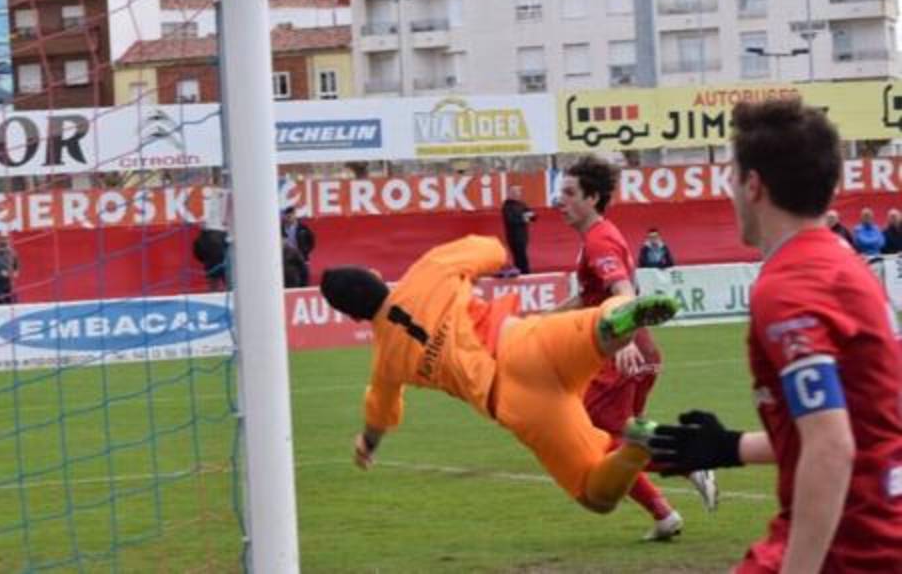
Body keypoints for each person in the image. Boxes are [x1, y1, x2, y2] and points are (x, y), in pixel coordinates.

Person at [645, 99, 902, 573]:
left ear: (754, 185)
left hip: (850, 548)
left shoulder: (790, 286)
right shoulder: (845, 265)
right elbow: (864, 422)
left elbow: (832, 444)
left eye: (731, 180)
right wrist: (729, 447)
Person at [322, 235, 682, 514]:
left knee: (596, 494)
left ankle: (637, 446)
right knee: (598, 329)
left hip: (516, 401)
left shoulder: (387, 361)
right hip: (523, 341)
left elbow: (381, 412)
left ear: (353, 317)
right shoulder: (430, 268)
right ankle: (620, 310)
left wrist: (368, 443)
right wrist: (468, 273)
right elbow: (492, 250)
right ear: (374, 276)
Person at [554, 155, 715, 540]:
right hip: (636, 352)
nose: (560, 200)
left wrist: (622, 338)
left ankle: (689, 459)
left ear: (592, 198)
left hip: (624, 353)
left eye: (569, 193)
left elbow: (623, 291)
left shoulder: (598, 241)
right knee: (616, 445)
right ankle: (663, 515)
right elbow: (588, 298)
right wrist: (541, 319)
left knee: (594, 438)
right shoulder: (597, 237)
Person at [501, 185, 536, 274]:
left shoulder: (522, 204)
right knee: (519, 257)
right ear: (509, 193)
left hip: (523, 236)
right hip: (513, 236)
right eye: (515, 191)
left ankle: (524, 273)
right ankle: (523, 274)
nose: (517, 193)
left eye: (518, 191)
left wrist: (523, 217)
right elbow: (511, 220)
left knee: (523, 255)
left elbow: (533, 217)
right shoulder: (506, 206)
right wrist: (524, 218)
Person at [280, 207, 315, 287]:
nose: (288, 218)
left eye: (290, 216)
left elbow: (311, 241)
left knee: (304, 274)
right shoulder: (280, 228)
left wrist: (306, 251)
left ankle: (303, 289)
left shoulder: (303, 228)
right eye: (286, 216)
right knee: (289, 275)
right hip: (287, 257)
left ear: (294, 215)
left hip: (301, 255)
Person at [192, 221, 230, 291]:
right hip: (224, 264)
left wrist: (206, 260)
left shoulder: (199, 239)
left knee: (213, 289)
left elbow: (198, 254)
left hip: (210, 266)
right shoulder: (222, 234)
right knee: (230, 287)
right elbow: (228, 247)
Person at [0, 232, 21, 304]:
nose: (4, 240)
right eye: (2, 238)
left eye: (6, 238)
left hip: (10, 284)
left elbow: (17, 268)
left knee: (14, 304)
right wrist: (0, 274)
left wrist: (15, 273)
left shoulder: (13, 253)